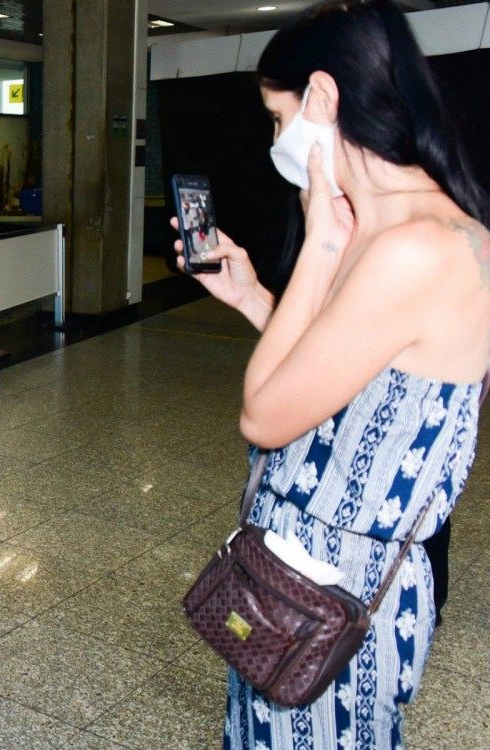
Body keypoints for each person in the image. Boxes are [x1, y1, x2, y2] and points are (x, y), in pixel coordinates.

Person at [174, 2, 490, 747]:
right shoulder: (395, 230)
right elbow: (348, 383)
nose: (278, 139)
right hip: (294, 581)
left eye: (278, 117)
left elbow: (264, 415)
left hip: (332, 599)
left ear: (322, 97)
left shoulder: (419, 247)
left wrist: (319, 243)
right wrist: (258, 298)